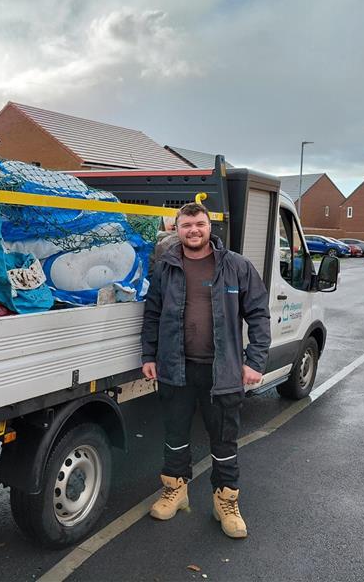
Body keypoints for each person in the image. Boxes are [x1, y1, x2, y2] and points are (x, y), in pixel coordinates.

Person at [141, 202, 270, 539]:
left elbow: (258, 314)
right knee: (175, 437)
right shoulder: (165, 268)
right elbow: (152, 314)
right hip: (175, 368)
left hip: (222, 372)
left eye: (199, 224)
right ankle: (175, 492)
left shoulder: (236, 266)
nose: (193, 230)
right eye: (186, 225)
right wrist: (149, 355)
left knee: (224, 440)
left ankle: (225, 503)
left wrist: (254, 361)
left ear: (209, 226)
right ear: (177, 229)